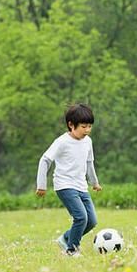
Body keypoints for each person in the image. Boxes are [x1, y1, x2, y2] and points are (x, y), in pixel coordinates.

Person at [36, 103, 102, 256]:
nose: (87, 130)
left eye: (90, 126)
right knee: (80, 217)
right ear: (71, 125)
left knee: (91, 221)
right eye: (84, 126)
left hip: (81, 186)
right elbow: (45, 160)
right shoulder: (62, 142)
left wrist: (94, 182)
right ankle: (72, 249)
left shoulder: (88, 142)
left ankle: (65, 238)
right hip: (64, 185)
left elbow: (89, 163)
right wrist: (42, 185)